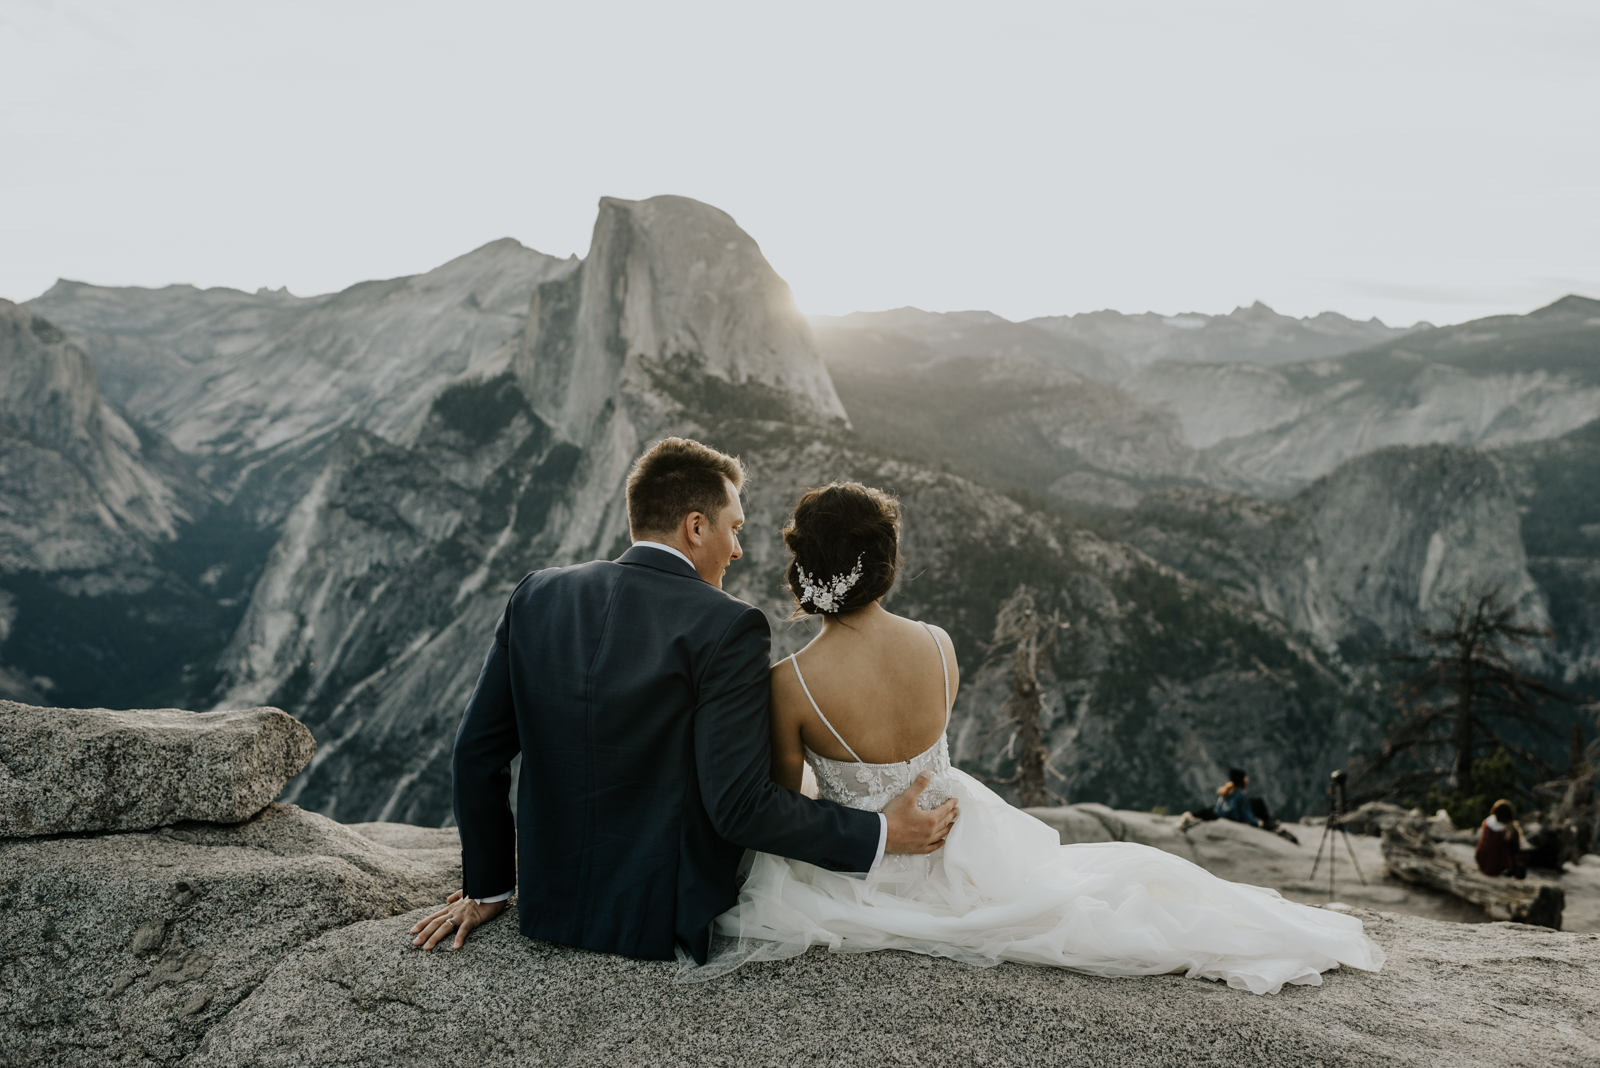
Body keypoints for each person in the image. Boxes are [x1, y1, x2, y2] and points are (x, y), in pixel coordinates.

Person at [684, 481, 1383, 994]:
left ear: (808, 569)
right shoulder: (938, 644)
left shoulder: (790, 684)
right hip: (964, 844)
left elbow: (787, 806)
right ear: (883, 562)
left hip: (861, 871)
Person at [409, 438, 957, 962]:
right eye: (734, 528)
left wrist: (489, 888)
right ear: (696, 527)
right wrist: (883, 834)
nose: (738, 549)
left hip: (545, 905)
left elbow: (476, 753)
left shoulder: (537, 594)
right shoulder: (727, 624)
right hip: (661, 916)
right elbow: (741, 806)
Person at [1475, 799, 1526, 879]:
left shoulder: (1487, 821)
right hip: (1495, 866)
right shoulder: (1511, 830)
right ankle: (1508, 870)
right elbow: (1516, 849)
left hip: (1481, 859)